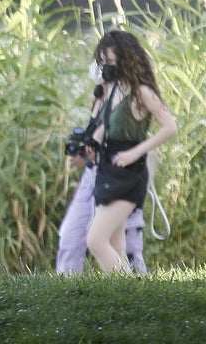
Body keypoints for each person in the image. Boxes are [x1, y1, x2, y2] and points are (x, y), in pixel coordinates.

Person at [85, 29, 177, 273]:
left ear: (125, 60)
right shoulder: (113, 90)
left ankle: (132, 289)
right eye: (104, 62)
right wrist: (92, 142)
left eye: (112, 62)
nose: (107, 68)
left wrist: (136, 153)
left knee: (95, 240)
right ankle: (126, 296)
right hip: (108, 167)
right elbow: (107, 125)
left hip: (129, 173)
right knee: (116, 243)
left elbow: (170, 127)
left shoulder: (142, 93)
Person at [57, 84, 147, 274]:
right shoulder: (100, 95)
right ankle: (67, 290)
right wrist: (85, 153)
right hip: (93, 175)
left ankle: (135, 290)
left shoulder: (132, 93)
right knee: (69, 238)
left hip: (120, 176)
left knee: (127, 247)